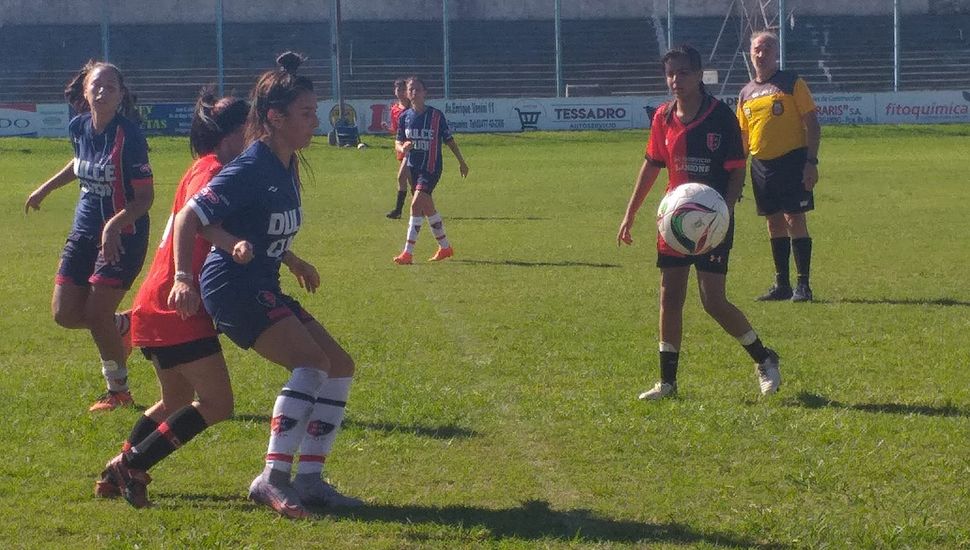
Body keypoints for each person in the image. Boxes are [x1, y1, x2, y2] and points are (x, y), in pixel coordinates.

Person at [168, 52, 361, 519]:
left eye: (315, 112)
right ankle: (272, 479)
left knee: (338, 365)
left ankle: (310, 480)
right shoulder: (252, 165)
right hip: (230, 286)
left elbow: (261, 225)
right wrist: (181, 277)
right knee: (311, 363)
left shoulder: (286, 163)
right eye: (306, 113)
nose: (315, 121)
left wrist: (291, 256)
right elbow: (189, 216)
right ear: (274, 117)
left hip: (262, 280)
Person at [96, 89, 250, 508]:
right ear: (233, 134)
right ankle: (134, 464)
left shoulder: (205, 166)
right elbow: (193, 224)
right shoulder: (213, 170)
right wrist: (190, 274)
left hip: (160, 302)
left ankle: (115, 471)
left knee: (176, 401)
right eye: (249, 130)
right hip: (175, 303)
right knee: (217, 403)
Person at [617, 45, 781, 400]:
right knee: (669, 297)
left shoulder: (720, 116)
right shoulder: (662, 117)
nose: (676, 80)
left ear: (698, 74)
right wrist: (629, 214)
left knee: (713, 301)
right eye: (670, 73)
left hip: (712, 222)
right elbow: (651, 165)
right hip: (674, 223)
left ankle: (764, 359)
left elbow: (738, 170)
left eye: (684, 73)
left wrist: (725, 210)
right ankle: (668, 383)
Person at [25, 61, 154, 411]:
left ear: (121, 94)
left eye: (111, 86)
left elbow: (145, 198)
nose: (102, 91)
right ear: (84, 91)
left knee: (95, 314)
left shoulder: (130, 137)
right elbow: (79, 161)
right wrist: (44, 189)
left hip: (124, 234)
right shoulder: (79, 126)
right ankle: (121, 325)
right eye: (96, 85)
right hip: (83, 232)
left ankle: (119, 392)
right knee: (64, 314)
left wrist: (113, 225)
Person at [737, 31, 821, 302]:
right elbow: (743, 137)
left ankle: (803, 286)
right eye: (756, 49)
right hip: (761, 165)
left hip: (792, 161)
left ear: (776, 53)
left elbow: (812, 123)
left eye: (766, 49)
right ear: (750, 54)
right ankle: (782, 284)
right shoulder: (745, 93)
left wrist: (811, 162)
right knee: (773, 223)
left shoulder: (791, 82)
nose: (760, 54)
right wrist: (737, 176)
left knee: (794, 218)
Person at [392, 76, 469, 265]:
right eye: (411, 89)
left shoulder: (436, 116)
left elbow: (449, 140)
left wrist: (461, 161)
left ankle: (407, 253)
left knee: (415, 204)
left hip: (431, 167)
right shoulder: (405, 117)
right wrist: (403, 149)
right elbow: (398, 142)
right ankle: (445, 247)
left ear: (425, 92)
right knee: (427, 208)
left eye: (417, 89)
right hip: (413, 167)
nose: (414, 92)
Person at [384, 77, 413, 219]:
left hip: (411, 147)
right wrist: (388, 129)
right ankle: (422, 206)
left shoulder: (413, 108)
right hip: (400, 147)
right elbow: (397, 131)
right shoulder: (395, 109)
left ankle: (398, 210)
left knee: (401, 177)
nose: (400, 92)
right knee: (411, 180)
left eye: (403, 89)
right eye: (398, 89)